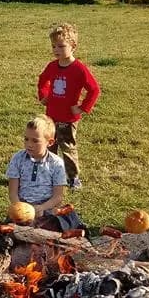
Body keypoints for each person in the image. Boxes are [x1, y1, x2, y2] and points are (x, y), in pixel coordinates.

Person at [37, 23, 100, 189]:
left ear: (73, 46)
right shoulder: (52, 66)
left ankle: (73, 178)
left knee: (67, 148)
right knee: (50, 147)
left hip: (68, 119)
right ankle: (50, 176)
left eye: (61, 46)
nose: (56, 50)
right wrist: (43, 96)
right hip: (51, 116)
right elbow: (43, 80)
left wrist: (82, 108)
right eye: (53, 46)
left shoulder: (79, 69)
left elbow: (94, 89)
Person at [6, 115, 67, 218]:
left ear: (50, 142)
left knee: (63, 221)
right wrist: (20, 208)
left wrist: (42, 208)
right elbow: (13, 192)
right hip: (23, 206)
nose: (29, 144)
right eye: (26, 139)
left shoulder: (56, 163)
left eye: (35, 141)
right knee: (12, 229)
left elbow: (58, 196)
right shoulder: (18, 158)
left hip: (46, 207)